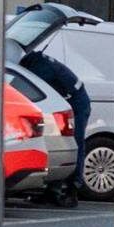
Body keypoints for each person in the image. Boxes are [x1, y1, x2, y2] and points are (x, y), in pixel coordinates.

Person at [19, 47, 90, 204]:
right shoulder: (37, 61)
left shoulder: (38, 69)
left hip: (76, 103)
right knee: (57, 144)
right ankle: (53, 190)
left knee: (72, 144)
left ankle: (72, 190)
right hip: (71, 98)